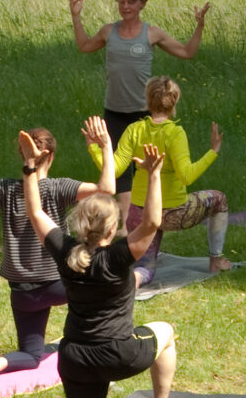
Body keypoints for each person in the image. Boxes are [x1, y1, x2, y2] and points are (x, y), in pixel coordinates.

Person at [20, 135, 178, 398]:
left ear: (79, 225)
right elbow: (152, 222)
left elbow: (36, 213)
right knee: (167, 333)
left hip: (76, 357)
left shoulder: (66, 252)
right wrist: (154, 175)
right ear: (111, 229)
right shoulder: (119, 256)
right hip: (118, 353)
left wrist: (29, 168)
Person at [0, 115, 115, 384]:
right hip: (58, 285)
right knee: (101, 289)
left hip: (23, 293)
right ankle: (101, 352)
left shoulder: (5, 189)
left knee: (30, 354)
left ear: (24, 154)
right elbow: (107, 189)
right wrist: (105, 146)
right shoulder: (58, 188)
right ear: (50, 156)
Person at [68, 0, 209, 195]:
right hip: (114, 111)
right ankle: (126, 222)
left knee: (143, 166)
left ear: (142, 3)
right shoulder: (108, 31)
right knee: (117, 168)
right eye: (121, 2)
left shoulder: (152, 33)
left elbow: (186, 52)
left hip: (144, 113)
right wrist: (76, 16)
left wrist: (199, 25)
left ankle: (147, 213)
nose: (125, 7)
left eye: (131, 2)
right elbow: (84, 46)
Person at [92, 75, 228, 282]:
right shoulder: (175, 133)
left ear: (147, 101)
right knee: (219, 198)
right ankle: (216, 259)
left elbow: (115, 170)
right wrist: (213, 152)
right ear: (174, 103)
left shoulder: (134, 130)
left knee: (144, 267)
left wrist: (95, 147)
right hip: (174, 212)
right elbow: (186, 176)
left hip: (141, 212)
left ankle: (133, 283)